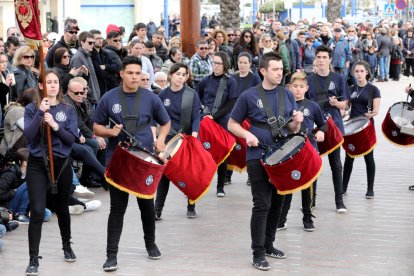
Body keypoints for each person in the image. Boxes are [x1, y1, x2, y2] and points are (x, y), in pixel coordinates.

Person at [93, 56, 171, 271]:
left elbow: (165, 122)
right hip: (118, 159)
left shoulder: (151, 97)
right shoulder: (109, 98)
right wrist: (110, 132)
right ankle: (111, 255)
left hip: (144, 159)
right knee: (117, 209)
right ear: (122, 74)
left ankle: (150, 243)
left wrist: (161, 140)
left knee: (146, 205)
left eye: (138, 73)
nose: (135, 77)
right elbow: (96, 127)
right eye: (130, 73)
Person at [228, 52, 303, 271]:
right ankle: (257, 253)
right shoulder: (249, 96)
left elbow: (292, 128)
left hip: (282, 155)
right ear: (263, 71)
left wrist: (297, 123)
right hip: (257, 155)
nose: (280, 73)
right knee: (262, 204)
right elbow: (232, 124)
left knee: (278, 203)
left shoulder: (287, 95)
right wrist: (247, 135)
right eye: (275, 69)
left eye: (281, 69)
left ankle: (269, 244)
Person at [23, 69, 79, 275]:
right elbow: (28, 136)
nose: (53, 85)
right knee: (37, 210)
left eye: (56, 82)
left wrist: (55, 125)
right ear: (40, 86)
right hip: (38, 164)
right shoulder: (31, 108)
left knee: (62, 207)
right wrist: (40, 114)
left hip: (62, 164)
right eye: (48, 82)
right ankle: (33, 259)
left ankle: (66, 245)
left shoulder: (68, 109)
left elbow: (70, 140)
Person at [279, 71, 326, 232]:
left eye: (301, 87)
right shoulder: (284, 105)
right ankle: (282, 218)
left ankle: (307, 217)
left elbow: (323, 124)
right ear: (289, 87)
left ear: (306, 88)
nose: (298, 90)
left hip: (309, 151)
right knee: (288, 185)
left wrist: (321, 132)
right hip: (289, 152)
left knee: (308, 186)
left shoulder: (313, 106)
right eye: (295, 86)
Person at [307, 45, 350, 213]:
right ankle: (311, 199)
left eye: (324, 57)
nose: (321, 61)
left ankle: (339, 201)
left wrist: (336, 104)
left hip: (334, 126)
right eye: (319, 58)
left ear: (330, 59)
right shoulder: (309, 79)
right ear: (315, 60)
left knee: (336, 164)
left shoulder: (338, 78)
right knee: (314, 162)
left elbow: (345, 105)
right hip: (315, 126)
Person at [155, 63, 201, 219]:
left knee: (189, 175)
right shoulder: (163, 95)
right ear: (170, 75)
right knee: (164, 175)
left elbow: (196, 116)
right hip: (168, 139)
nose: (181, 77)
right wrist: (157, 137)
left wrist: (194, 135)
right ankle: (158, 209)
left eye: (184, 74)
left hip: (186, 137)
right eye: (178, 74)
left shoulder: (191, 94)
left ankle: (191, 206)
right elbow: (158, 118)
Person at [197, 51, 238, 197]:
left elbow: (232, 102)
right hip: (207, 121)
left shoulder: (230, 81)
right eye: (214, 63)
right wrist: (205, 113)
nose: (216, 66)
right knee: (203, 153)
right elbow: (199, 99)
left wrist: (216, 115)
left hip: (222, 121)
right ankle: (198, 184)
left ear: (225, 65)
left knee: (223, 154)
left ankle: (220, 186)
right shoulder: (205, 81)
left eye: (219, 63)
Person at [342, 61, 380, 198]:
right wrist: (342, 110)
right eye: (356, 71)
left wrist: (373, 113)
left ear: (367, 72)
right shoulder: (351, 88)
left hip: (366, 127)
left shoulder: (373, 89)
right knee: (349, 157)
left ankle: (370, 189)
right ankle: (343, 187)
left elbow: (376, 109)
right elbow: (346, 107)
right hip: (352, 126)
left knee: (369, 158)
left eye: (361, 71)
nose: (358, 74)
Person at [227, 52, 262, 185]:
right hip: (234, 115)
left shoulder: (255, 78)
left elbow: (258, 96)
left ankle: (250, 175)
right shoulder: (232, 77)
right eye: (240, 62)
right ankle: (227, 175)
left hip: (249, 115)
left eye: (245, 63)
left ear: (250, 64)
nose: (242, 65)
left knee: (248, 145)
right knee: (231, 145)